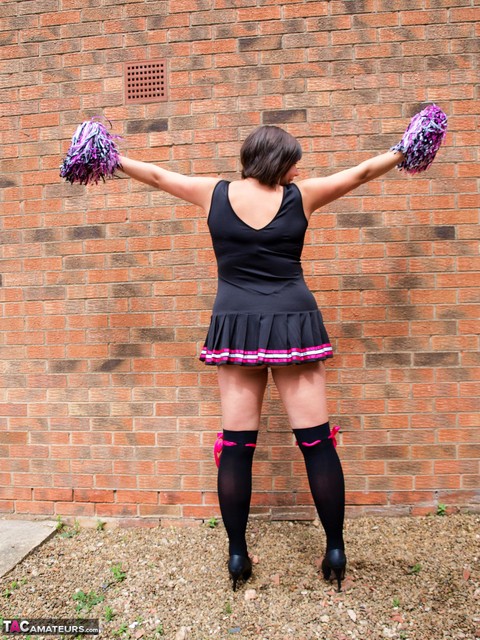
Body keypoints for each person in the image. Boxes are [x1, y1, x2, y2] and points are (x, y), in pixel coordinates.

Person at [117, 126, 405, 592]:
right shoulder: (303, 196)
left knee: (236, 445)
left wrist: (106, 157)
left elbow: (153, 175)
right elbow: (363, 172)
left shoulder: (212, 193)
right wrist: (407, 146)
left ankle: (236, 555)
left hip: (236, 322)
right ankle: (335, 548)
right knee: (317, 442)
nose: (299, 169)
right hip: (294, 320)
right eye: (293, 160)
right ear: (277, 161)